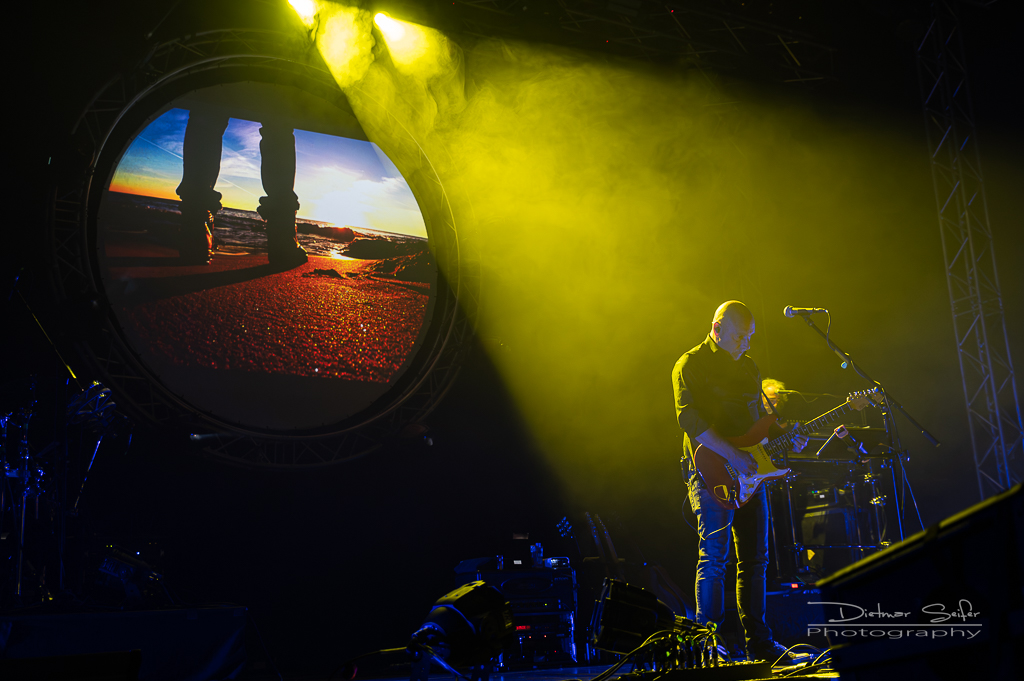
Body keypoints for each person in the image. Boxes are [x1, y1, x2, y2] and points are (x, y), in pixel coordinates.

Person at [672, 301, 807, 663]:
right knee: (715, 558)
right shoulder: (691, 364)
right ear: (717, 329)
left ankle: (760, 643)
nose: (746, 344)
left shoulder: (749, 367)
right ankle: (708, 644)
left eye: (750, 337)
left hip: (749, 471)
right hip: (711, 469)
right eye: (739, 336)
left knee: (755, 559)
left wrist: (786, 437)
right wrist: (732, 454)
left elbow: (757, 423)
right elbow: (689, 420)